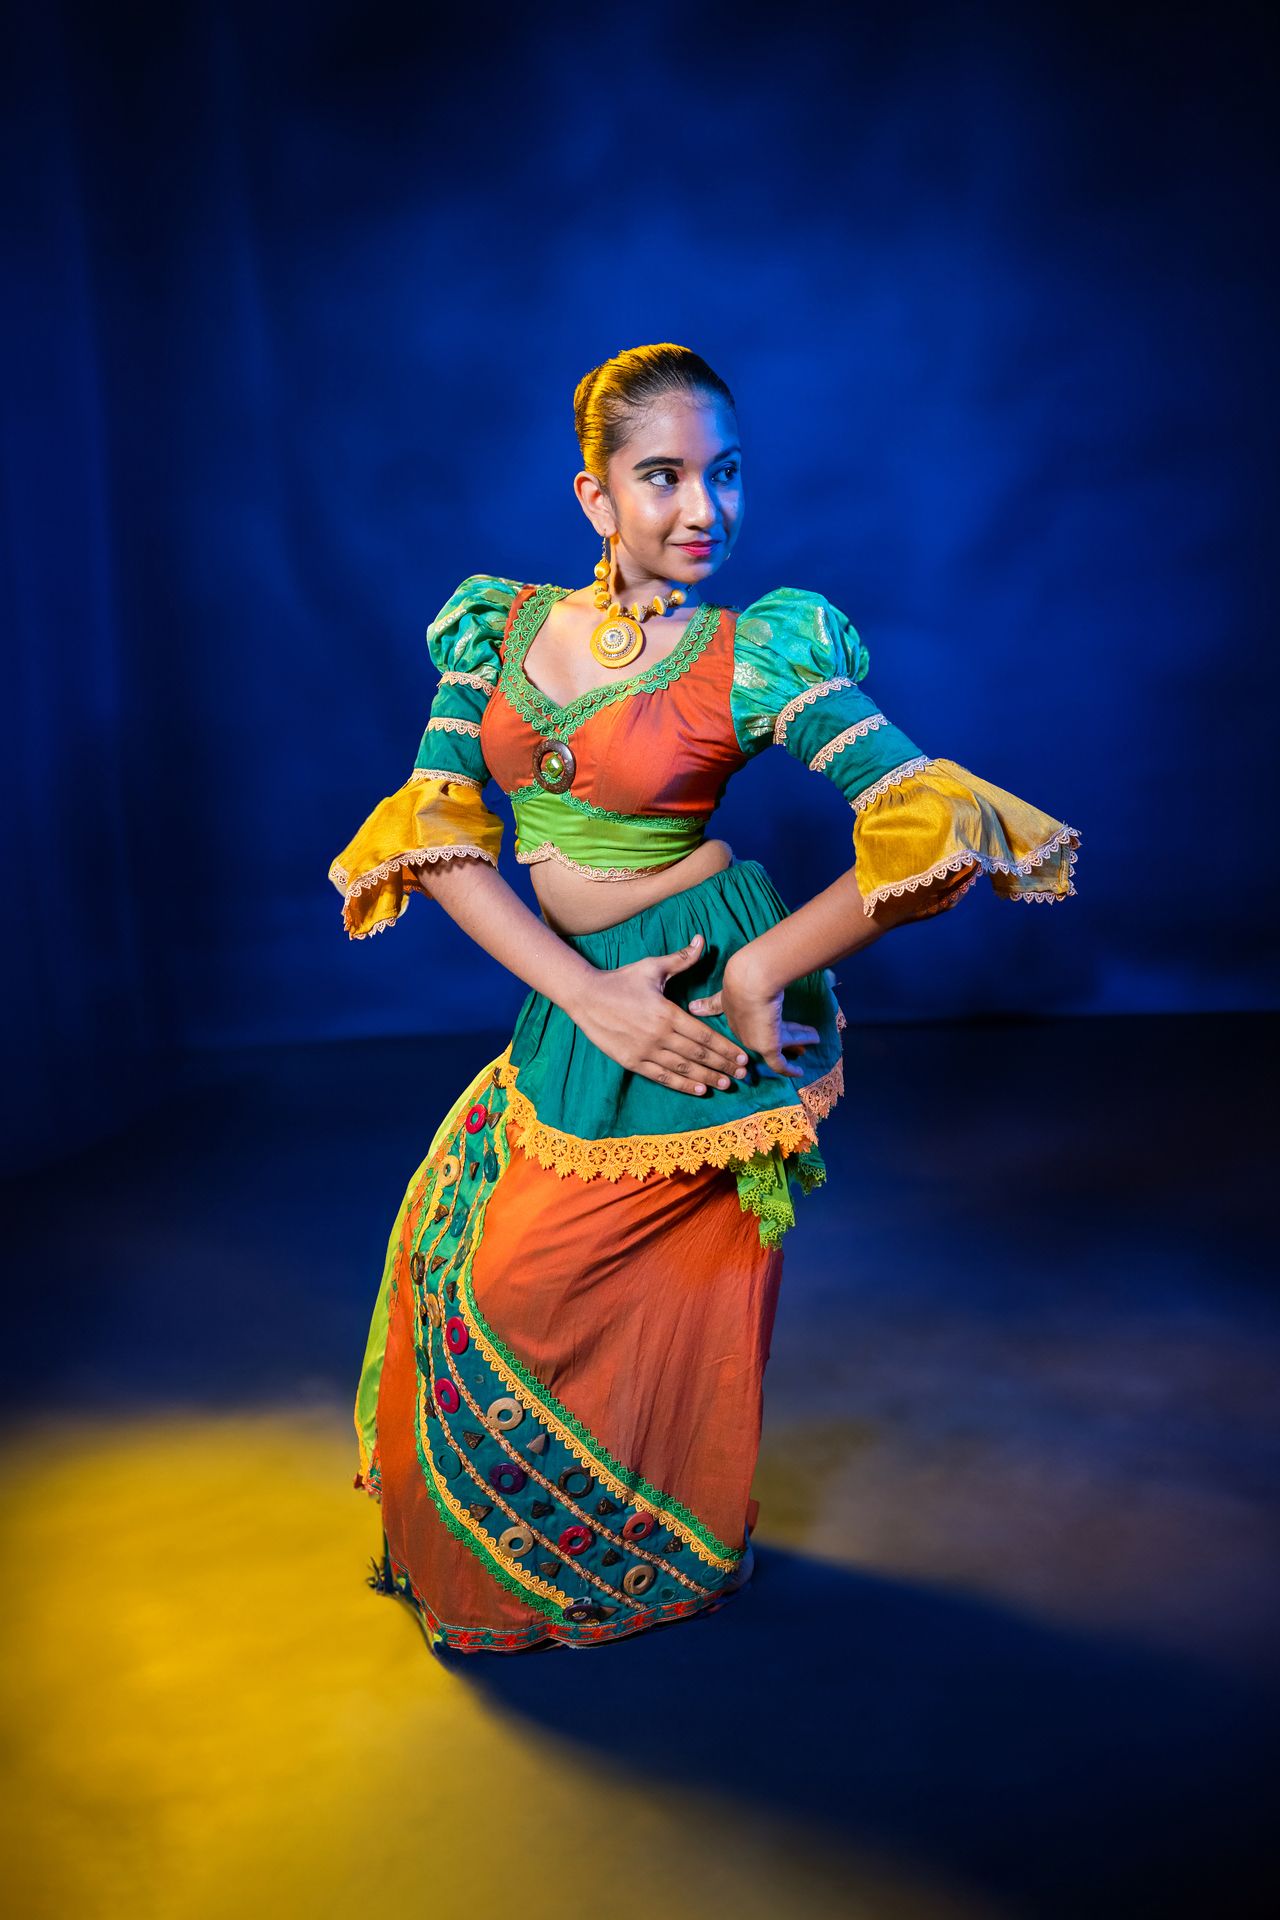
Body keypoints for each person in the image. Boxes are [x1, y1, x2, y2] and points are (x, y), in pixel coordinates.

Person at [328, 342, 1081, 1656]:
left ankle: (629, 1555)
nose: (703, 512)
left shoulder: (753, 655)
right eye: (663, 476)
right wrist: (583, 996)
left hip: (686, 985)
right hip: (581, 995)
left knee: (617, 1285)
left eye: (725, 475)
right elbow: (439, 836)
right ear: (595, 500)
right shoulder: (494, 628)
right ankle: (527, 1559)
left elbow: (928, 817)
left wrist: (759, 968)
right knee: (490, 1271)